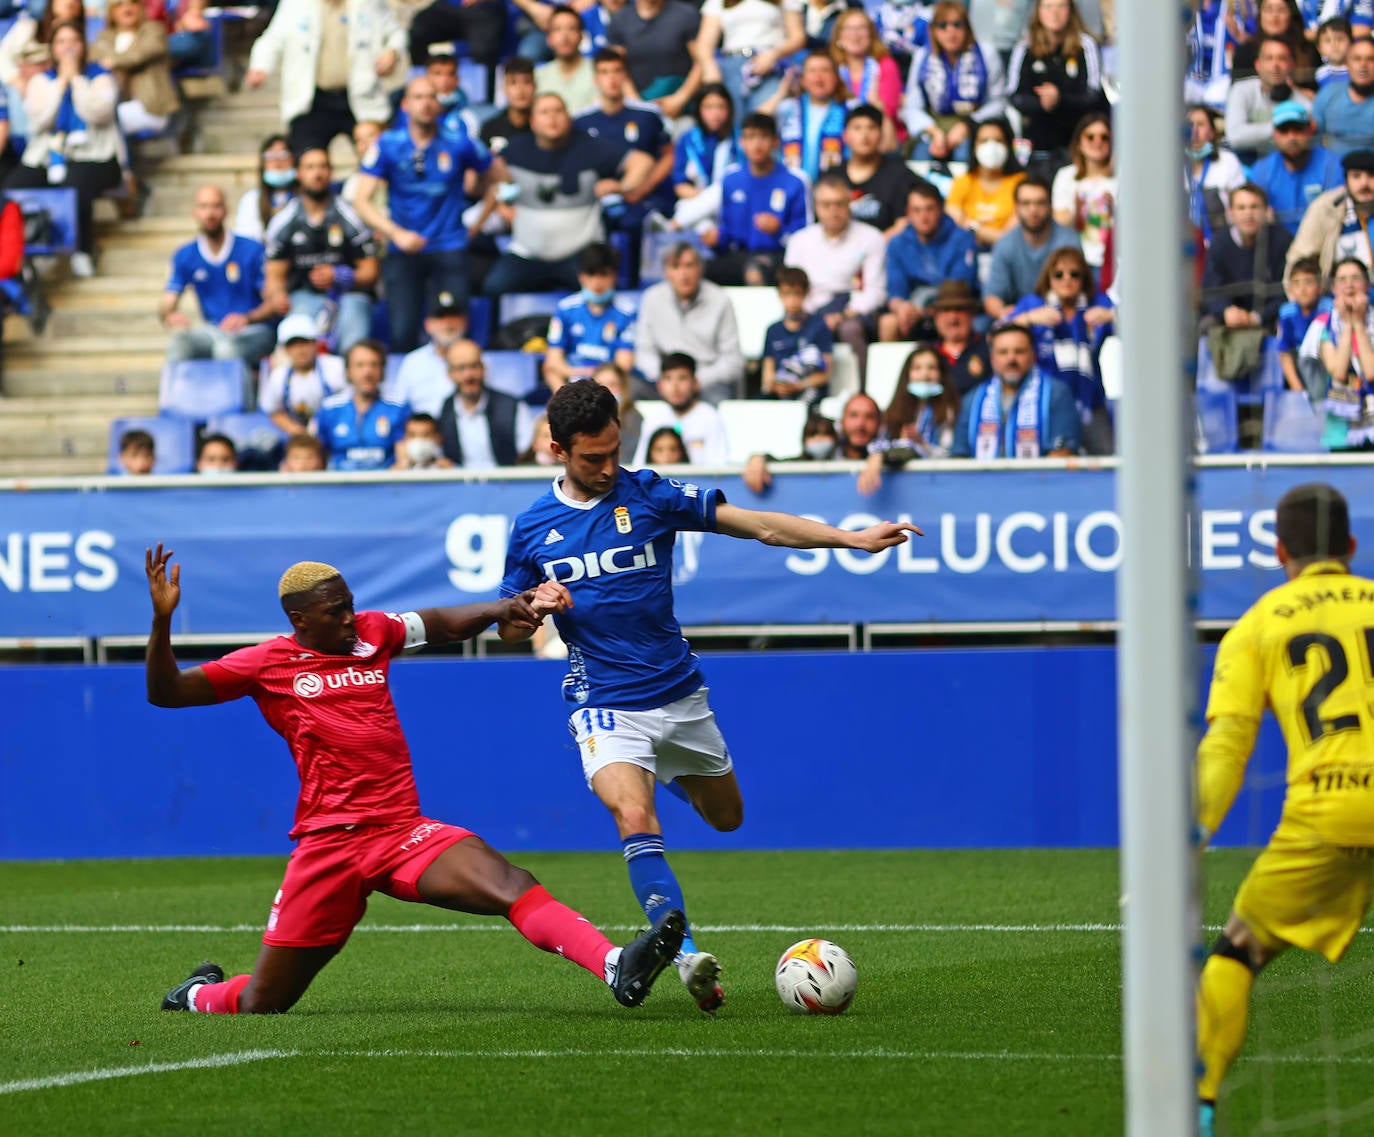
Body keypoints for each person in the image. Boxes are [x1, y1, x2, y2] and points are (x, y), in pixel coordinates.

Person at [497, 379, 919, 1014]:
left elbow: (759, 526)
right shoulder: (532, 530)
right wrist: (531, 606)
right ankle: (682, 947)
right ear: (557, 449)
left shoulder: (649, 494)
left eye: (616, 450)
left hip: (679, 695)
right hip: (603, 702)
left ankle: (662, 775)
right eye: (593, 458)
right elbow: (507, 626)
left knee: (727, 817)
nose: (609, 467)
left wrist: (851, 539)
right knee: (634, 819)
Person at [146, 546, 688, 1017]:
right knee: (264, 1001)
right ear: (301, 619)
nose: (352, 618)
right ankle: (197, 995)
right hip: (329, 847)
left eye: (352, 604)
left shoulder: (373, 635)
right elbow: (166, 691)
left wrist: (502, 607)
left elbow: (443, 622)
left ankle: (616, 965)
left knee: (510, 882)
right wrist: (162, 622)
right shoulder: (267, 663)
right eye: (337, 612)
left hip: (400, 832)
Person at [1193, 484, 1374, 1137]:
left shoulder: (1259, 623)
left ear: (1279, 550)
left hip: (1328, 810)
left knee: (1237, 949)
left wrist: (1189, 838)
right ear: (1351, 547)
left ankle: (1202, 1104)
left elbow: (1226, 751)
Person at [350, 76, 496, 355]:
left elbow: (497, 177)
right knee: (402, 332)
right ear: (405, 105)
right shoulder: (387, 144)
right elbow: (361, 201)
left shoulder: (458, 142)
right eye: (418, 97)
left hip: (450, 246)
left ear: (440, 105)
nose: (426, 104)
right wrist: (397, 233)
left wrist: (477, 222)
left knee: (453, 331)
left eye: (431, 97)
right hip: (404, 249)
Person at [482, 93, 653, 297]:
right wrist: (502, 207)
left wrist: (622, 186)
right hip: (527, 254)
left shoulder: (591, 148)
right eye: (545, 112)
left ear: (569, 118)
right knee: (492, 288)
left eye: (558, 111)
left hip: (580, 255)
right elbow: (489, 181)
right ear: (533, 122)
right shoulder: (515, 150)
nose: (552, 118)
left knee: (600, 291)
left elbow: (643, 162)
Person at [2, 21, 121, 277]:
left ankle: (82, 250)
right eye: (61, 42)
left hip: (93, 156)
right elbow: (39, 120)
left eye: (73, 41)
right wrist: (60, 85)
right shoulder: (40, 82)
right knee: (12, 187)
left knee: (76, 185)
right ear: (52, 48)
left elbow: (98, 113)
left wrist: (76, 80)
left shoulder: (100, 77)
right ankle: (25, 253)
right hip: (46, 157)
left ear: (83, 46)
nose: (68, 47)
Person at [244, 0, 405, 157]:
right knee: (308, 161)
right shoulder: (295, 4)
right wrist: (260, 67)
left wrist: (392, 51)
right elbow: (272, 40)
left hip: (360, 95)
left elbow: (396, 32)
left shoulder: (369, 3)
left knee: (376, 158)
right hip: (312, 100)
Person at [264, 148, 379, 357]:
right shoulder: (283, 221)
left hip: (349, 296)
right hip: (303, 296)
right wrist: (277, 295)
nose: (317, 173)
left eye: (322, 167)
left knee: (354, 347)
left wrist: (341, 276)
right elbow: (274, 275)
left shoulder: (350, 216)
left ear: (330, 172)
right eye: (310, 167)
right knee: (297, 343)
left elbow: (371, 271)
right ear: (298, 173)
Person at [160, 185, 281, 373]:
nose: (210, 213)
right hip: (214, 331)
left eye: (216, 206)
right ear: (195, 212)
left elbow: (273, 302)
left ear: (226, 210)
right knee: (180, 344)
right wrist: (170, 315)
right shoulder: (185, 255)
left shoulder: (251, 250)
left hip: (255, 330)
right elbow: (168, 302)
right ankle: (176, 402)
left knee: (226, 350)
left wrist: (246, 318)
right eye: (204, 206)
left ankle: (236, 403)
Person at [783, 171, 888, 386]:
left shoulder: (871, 237)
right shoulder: (799, 241)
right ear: (816, 206)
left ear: (850, 204)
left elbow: (876, 292)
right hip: (809, 310)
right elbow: (791, 287)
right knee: (786, 328)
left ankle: (861, 391)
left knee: (850, 330)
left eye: (840, 204)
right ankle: (793, 390)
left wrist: (843, 315)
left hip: (853, 311)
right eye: (827, 204)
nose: (834, 211)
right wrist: (814, 316)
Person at [1008, 244, 1115, 454]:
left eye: (1074, 274)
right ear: (1048, 278)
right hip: (1044, 400)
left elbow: (1143, 330)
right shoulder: (1033, 304)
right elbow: (999, 333)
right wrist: (1030, 319)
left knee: (1106, 460)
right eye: (1058, 274)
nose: (1067, 279)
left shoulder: (1098, 303)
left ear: (1084, 279)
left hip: (1090, 398)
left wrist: (1111, 316)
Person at [702, 111, 809, 285]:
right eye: (750, 137)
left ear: (775, 142)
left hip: (780, 257)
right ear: (741, 143)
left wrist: (779, 230)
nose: (757, 144)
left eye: (764, 137)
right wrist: (715, 238)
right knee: (696, 270)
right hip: (738, 256)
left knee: (755, 271)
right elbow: (726, 232)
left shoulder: (796, 181)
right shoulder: (731, 179)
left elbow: (806, 235)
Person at [633, 241, 746, 403]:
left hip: (705, 381)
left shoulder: (720, 300)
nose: (683, 274)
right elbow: (644, 352)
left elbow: (733, 361)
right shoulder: (652, 298)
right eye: (676, 267)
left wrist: (693, 381)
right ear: (666, 272)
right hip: (663, 377)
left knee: (719, 397)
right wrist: (668, 380)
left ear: (700, 269)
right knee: (631, 392)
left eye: (689, 265)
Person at [1006, 0, 1108, 177]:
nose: (1055, 13)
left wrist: (1060, 99)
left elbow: (1094, 95)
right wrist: (1042, 103)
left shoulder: (1086, 45)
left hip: (1076, 148)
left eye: (1061, 6)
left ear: (1071, 10)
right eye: (1048, 6)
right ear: (1038, 11)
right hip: (1037, 146)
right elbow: (1013, 95)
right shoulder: (1025, 47)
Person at [951, 322, 1082, 457]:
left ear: (1032, 355)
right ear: (992, 358)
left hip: (1039, 477)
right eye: (1003, 352)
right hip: (981, 478)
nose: (1011, 359)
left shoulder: (1056, 394)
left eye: (1019, 351)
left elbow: (1063, 451)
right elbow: (959, 455)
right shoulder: (973, 400)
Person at [904, 1, 1008, 162]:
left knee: (965, 153)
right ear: (933, 30)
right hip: (934, 124)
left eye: (957, 25)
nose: (950, 32)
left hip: (976, 121)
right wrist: (934, 132)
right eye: (943, 25)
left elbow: (998, 102)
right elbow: (912, 106)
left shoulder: (987, 54)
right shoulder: (922, 57)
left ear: (967, 28)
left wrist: (968, 125)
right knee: (922, 156)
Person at [880, 179, 979, 342]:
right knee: (888, 323)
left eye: (929, 209)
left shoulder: (962, 238)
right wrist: (902, 308)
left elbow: (960, 287)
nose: (923, 216)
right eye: (917, 210)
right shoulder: (897, 243)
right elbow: (896, 290)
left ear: (941, 209)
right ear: (908, 213)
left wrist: (925, 307)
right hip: (912, 312)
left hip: (952, 307)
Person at [983, 174, 1082, 320]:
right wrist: (1003, 313)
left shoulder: (1069, 241)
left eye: (1040, 203)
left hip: (1062, 315)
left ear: (1050, 205)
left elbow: (1080, 291)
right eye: (1026, 203)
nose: (1033, 210)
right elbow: (992, 297)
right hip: (1021, 317)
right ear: (1016, 207)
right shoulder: (1005, 244)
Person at [1201, 182, 1294, 334]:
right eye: (1241, 208)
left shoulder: (1282, 240)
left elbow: (1288, 290)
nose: (1248, 214)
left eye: (1254, 207)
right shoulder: (1219, 243)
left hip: (1269, 319)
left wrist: (1258, 317)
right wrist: (1226, 311)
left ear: (1266, 210)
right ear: (1230, 212)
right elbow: (1210, 290)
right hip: (1230, 320)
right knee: (1206, 325)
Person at [544, 242, 638, 392]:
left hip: (608, 384)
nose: (597, 282)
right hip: (571, 380)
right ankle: (565, 409)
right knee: (550, 371)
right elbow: (554, 360)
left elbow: (623, 365)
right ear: (580, 276)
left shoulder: (627, 312)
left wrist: (595, 377)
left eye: (603, 274)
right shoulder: (566, 308)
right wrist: (578, 375)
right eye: (591, 274)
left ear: (614, 276)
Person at [692, 0, 805, 116]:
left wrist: (774, 54)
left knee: (764, 121)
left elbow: (798, 37)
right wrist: (710, 68)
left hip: (770, 67)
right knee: (734, 122)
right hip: (730, 66)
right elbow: (704, 43)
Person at [1247, 100, 1344, 235]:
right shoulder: (1261, 170)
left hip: (1325, 240)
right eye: (1284, 130)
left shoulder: (1334, 164)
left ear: (1310, 130)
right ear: (1274, 134)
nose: (1291, 137)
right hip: (1278, 246)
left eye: (1298, 129)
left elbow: (1339, 215)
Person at [437, 338, 537, 468]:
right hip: (459, 486)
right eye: (460, 368)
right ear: (449, 374)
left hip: (508, 485)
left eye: (473, 366)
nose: (468, 375)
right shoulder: (443, 410)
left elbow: (527, 457)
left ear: (483, 368)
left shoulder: (513, 408)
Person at [1284, 147, 1374, 286]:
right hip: (1333, 300)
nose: (1364, 183)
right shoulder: (1325, 208)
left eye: (1371, 175)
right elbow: (1299, 260)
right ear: (1346, 180)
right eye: (1356, 176)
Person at [314, 339, 410, 470]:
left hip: (384, 486)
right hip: (339, 486)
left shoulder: (398, 408)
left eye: (374, 365)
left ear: (382, 370)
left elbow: (404, 460)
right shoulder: (330, 409)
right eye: (360, 365)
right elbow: (317, 456)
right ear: (348, 371)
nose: (367, 373)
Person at [1312, 255, 1374, 448]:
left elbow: (1371, 372)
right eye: (1342, 279)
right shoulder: (1322, 323)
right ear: (1333, 288)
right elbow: (1338, 371)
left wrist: (1359, 323)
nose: (1349, 285)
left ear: (1367, 285)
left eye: (1356, 278)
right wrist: (1348, 324)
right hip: (1340, 427)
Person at [765, 50, 852, 184]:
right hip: (791, 189)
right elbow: (755, 122)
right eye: (812, 71)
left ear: (836, 78)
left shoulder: (849, 109)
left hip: (832, 191)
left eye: (825, 70)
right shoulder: (788, 108)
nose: (818, 77)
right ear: (803, 80)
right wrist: (780, 94)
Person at [605, 0, 702, 120]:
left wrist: (680, 99)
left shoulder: (686, 15)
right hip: (637, 106)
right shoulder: (619, 19)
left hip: (681, 108)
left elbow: (701, 62)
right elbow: (616, 66)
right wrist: (637, 103)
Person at [1225, 36, 1313, 165]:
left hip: (1284, 168)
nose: (1275, 65)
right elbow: (1234, 137)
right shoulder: (1241, 90)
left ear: (1291, 65)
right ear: (1258, 65)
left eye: (1282, 59)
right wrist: (1279, 127)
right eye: (1269, 58)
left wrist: (1253, 134)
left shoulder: (1303, 103)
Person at [631, 351, 729, 465]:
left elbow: (717, 471)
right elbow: (639, 466)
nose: (675, 387)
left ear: (695, 384)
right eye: (668, 378)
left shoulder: (710, 417)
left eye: (682, 378)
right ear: (659, 385)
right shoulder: (653, 420)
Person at [841, 103, 924, 237]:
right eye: (857, 128)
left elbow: (905, 221)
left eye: (871, 128)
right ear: (845, 136)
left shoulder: (899, 174)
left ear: (881, 134)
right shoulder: (832, 176)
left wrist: (875, 247)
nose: (864, 135)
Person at [258, 314, 347, 438]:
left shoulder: (336, 367)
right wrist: (295, 430)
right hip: (301, 439)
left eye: (304, 343)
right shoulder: (278, 377)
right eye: (293, 344)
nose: (300, 350)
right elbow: (274, 411)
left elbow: (352, 403)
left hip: (337, 431)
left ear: (315, 343)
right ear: (285, 349)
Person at [384, 291, 471, 417]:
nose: (448, 324)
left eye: (453, 316)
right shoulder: (413, 362)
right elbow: (398, 406)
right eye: (440, 317)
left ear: (465, 322)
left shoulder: (478, 359)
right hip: (422, 431)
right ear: (428, 325)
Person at [944, 116, 1025, 247]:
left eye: (998, 141)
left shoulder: (1021, 183)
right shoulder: (962, 182)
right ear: (974, 146)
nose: (991, 146)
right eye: (984, 141)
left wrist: (972, 226)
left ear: (1007, 145)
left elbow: (1008, 237)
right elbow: (954, 225)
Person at [1050, 110, 1117, 271]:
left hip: (1114, 259)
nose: (1097, 142)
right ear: (1079, 142)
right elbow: (1059, 222)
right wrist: (1076, 209)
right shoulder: (1066, 176)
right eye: (1090, 137)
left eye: (1104, 137)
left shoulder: (1123, 176)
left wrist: (1115, 209)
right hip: (1076, 260)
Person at [829, 8, 903, 145]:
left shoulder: (885, 65)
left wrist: (877, 104)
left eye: (861, 28)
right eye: (849, 29)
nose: (855, 35)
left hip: (880, 138)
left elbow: (890, 114)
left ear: (871, 34)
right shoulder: (833, 68)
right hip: (840, 139)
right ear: (839, 36)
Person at [762, 265, 833, 402]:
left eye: (797, 294)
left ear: (805, 294)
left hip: (811, 395)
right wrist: (776, 387)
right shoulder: (773, 331)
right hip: (779, 395)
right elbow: (767, 374)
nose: (793, 300)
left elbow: (825, 374)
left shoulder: (819, 327)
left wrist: (799, 385)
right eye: (787, 294)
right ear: (779, 294)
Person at [1185, 103, 1248, 249]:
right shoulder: (1171, 167)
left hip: (1221, 245)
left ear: (1212, 132)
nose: (1194, 130)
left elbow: (1240, 202)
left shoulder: (1227, 161)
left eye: (1200, 124)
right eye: (1189, 124)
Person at [671, 83, 741, 204]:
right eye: (708, 107)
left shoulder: (741, 137)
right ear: (699, 109)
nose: (715, 114)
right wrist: (707, 199)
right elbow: (680, 186)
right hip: (697, 201)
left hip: (734, 200)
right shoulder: (688, 139)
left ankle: (673, 224)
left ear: (730, 109)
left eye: (721, 107)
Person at [1275, 255, 1331, 394]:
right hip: (1302, 375)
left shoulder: (1330, 309)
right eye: (1297, 283)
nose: (1302, 289)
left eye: (1308, 282)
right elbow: (1285, 353)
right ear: (1290, 288)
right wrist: (1298, 390)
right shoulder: (1286, 312)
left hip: (1328, 373)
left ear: (1321, 287)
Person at [929, 278, 993, 393]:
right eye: (946, 310)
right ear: (936, 316)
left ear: (972, 314)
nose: (953, 317)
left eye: (959, 309)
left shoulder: (989, 349)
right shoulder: (928, 353)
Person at [1313, 35, 1374, 154]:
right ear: (1347, 63)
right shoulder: (1327, 95)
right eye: (1357, 59)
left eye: (1370, 59)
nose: (1363, 65)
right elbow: (1313, 140)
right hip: (1333, 169)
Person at [233, 135, 297, 244]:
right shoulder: (251, 200)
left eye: (283, 155)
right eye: (270, 156)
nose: (277, 162)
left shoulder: (306, 198)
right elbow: (247, 241)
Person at [535, 6, 598, 115]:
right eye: (558, 29)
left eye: (571, 28)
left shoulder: (599, 71)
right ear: (549, 38)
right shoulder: (538, 76)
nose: (564, 36)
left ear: (581, 36)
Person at [482, 58, 536, 157]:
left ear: (535, 86)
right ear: (504, 88)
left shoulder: (544, 128)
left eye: (526, 82)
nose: (520, 90)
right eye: (513, 83)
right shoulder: (490, 128)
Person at [593, 360, 644, 459]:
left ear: (623, 388)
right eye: (600, 385)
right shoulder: (585, 418)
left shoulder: (633, 418)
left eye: (612, 385)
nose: (606, 391)